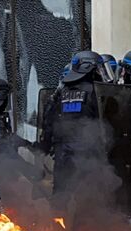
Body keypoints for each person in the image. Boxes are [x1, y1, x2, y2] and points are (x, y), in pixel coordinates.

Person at [39, 50, 102, 194]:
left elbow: (50, 120)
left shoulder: (63, 92)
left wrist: (45, 145)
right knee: (88, 197)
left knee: (62, 194)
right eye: (98, 69)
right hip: (87, 155)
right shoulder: (95, 91)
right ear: (88, 68)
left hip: (63, 153)